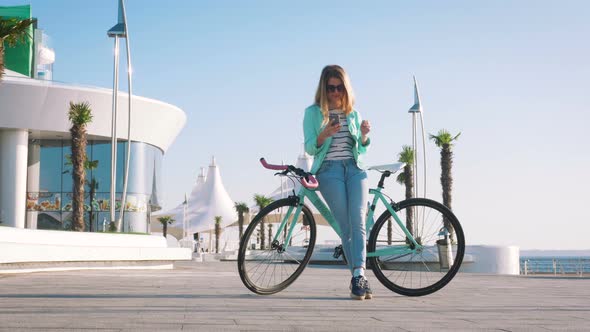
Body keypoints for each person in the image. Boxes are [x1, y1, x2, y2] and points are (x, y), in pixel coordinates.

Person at [303, 65, 372, 300]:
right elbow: (310, 147)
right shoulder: (312, 113)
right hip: (329, 171)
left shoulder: (353, 113)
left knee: (358, 221)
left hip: (355, 169)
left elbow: (361, 147)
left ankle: (358, 275)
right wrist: (324, 134)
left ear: (346, 88)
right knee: (346, 227)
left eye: (339, 87)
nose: (335, 92)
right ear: (324, 89)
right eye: (330, 88)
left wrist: (363, 135)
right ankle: (358, 277)